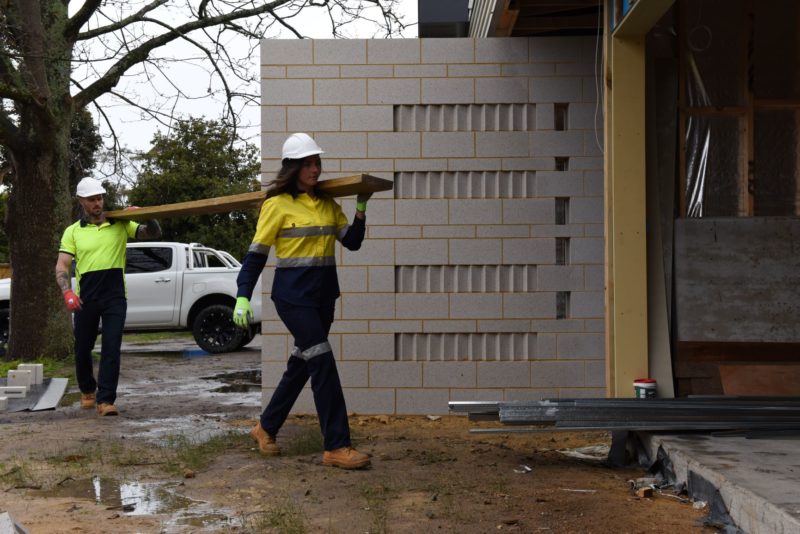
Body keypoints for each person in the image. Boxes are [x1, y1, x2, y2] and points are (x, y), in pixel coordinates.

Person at [233, 133, 372, 469]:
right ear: (292, 168)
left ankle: (265, 428)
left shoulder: (327, 203)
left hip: (324, 296)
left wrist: (362, 207)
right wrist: (241, 296)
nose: (315, 169)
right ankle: (336, 445)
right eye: (308, 163)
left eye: (317, 162)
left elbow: (352, 243)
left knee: (301, 365)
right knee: (322, 361)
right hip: (293, 299)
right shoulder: (276, 205)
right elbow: (255, 256)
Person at [55, 177, 161, 416]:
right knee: (82, 347)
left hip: (115, 296)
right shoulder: (73, 231)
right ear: (81, 201)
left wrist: (147, 215)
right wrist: (67, 291)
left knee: (111, 347)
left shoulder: (120, 223)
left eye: (100, 198)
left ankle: (106, 400)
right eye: (92, 199)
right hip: (86, 298)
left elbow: (151, 233)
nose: (97, 203)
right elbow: (62, 265)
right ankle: (87, 389)